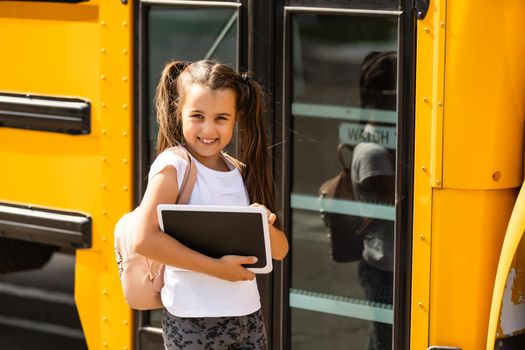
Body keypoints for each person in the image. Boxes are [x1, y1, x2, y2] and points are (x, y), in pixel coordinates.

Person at [131, 60, 289, 350]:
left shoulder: (238, 170)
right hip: (193, 320)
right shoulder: (173, 166)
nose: (208, 129)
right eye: (198, 116)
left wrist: (265, 226)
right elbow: (143, 239)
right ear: (179, 112)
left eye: (221, 118)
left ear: (236, 118)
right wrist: (217, 268)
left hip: (247, 316)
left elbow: (280, 251)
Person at [352, 51, 396, 350]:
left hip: (388, 263)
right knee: (386, 342)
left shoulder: (385, 141)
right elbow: (398, 206)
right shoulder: (375, 152)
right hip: (383, 267)